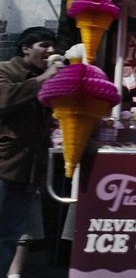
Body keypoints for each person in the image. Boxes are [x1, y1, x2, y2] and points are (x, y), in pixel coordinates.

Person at [0, 26, 62, 276]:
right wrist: (44, 78)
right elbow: (4, 100)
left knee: (11, 234)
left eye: (53, 46)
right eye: (43, 45)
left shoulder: (45, 76)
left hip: (28, 170)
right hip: (3, 163)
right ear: (26, 49)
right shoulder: (6, 70)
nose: (51, 51)